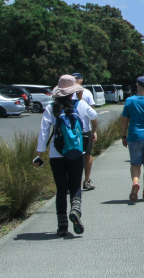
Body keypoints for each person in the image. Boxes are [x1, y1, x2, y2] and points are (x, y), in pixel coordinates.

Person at [35, 75, 97, 236]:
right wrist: (81, 99)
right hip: (76, 151)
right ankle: (75, 210)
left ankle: (62, 226)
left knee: (61, 189)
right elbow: (94, 116)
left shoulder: (51, 108)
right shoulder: (81, 104)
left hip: (56, 153)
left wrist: (39, 154)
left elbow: (43, 133)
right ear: (72, 92)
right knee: (76, 185)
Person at [70, 73, 98, 190]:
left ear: (81, 80)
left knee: (84, 155)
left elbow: (93, 113)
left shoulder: (85, 93)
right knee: (80, 155)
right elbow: (93, 113)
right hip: (77, 130)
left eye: (77, 79)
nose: (77, 81)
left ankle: (83, 180)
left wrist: (94, 130)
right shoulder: (71, 93)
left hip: (79, 130)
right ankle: (79, 181)